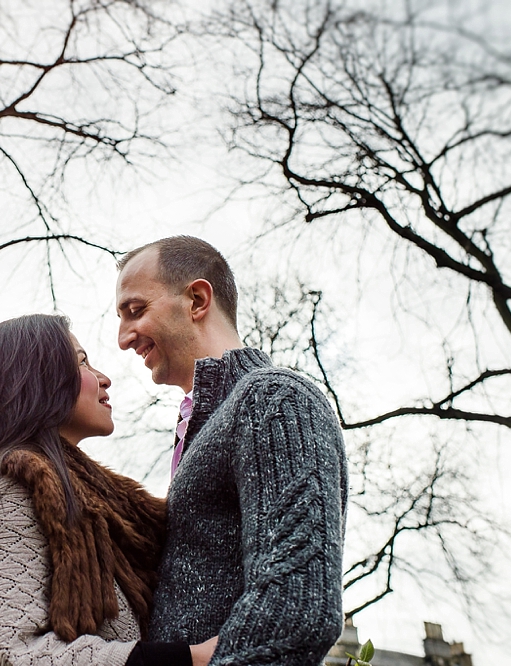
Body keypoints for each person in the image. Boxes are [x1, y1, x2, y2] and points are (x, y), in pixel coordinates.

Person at [0, 314, 217, 666]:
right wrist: (191, 659)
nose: (104, 378)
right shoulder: (7, 490)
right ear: (35, 380)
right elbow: (20, 654)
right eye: (82, 362)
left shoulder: (101, 502)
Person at [116, 236, 348, 665]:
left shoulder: (274, 400)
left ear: (198, 300)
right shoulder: (214, 420)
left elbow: (296, 609)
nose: (123, 338)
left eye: (136, 310)